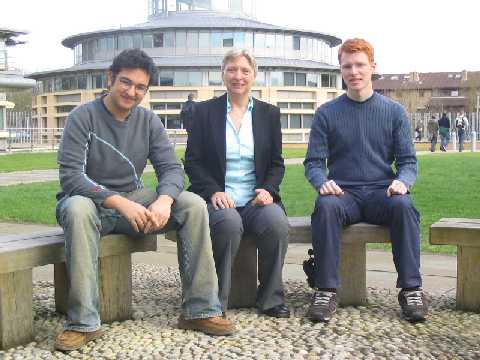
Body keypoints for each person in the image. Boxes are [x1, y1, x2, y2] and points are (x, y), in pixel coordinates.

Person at [54, 49, 234, 351]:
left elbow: (171, 169)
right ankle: (83, 322)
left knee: (192, 204)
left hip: (135, 201)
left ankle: (200, 309)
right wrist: (119, 202)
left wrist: (164, 200)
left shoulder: (148, 121)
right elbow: (71, 177)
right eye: (125, 82)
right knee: (76, 208)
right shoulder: (81, 117)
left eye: (140, 87)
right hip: (89, 203)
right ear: (110, 78)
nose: (132, 92)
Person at [304, 38, 427, 324]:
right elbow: (313, 163)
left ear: (373, 66)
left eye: (360, 65)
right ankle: (325, 290)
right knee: (326, 206)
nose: (354, 72)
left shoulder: (394, 112)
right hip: (342, 194)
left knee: (404, 207)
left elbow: (408, 162)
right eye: (347, 66)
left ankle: (411, 289)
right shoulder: (326, 113)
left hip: (380, 192)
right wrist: (322, 181)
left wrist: (403, 182)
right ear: (341, 69)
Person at [184, 49, 290, 318]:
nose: (238, 76)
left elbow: (277, 164)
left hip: (256, 200)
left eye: (244, 70)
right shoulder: (204, 112)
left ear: (254, 76)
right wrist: (213, 191)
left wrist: (268, 190)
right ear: (222, 74)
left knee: (276, 222)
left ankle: (271, 299)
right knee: (228, 224)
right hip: (220, 199)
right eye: (232, 69)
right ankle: (215, 301)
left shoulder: (269, 114)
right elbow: (193, 161)